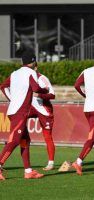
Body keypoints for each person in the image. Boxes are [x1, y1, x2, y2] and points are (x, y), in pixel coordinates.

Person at [0, 51, 49, 180]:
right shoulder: (31, 72)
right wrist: (45, 90)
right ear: (33, 62)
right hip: (20, 113)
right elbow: (36, 88)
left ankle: (28, 171)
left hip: (14, 111)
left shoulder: (14, 73)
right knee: (15, 140)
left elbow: (3, 86)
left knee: (25, 140)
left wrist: (12, 99)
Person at [28, 64, 56, 170]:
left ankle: (51, 163)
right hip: (32, 108)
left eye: (31, 68)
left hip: (45, 110)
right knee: (18, 119)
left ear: (36, 68)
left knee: (47, 136)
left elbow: (52, 95)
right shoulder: (26, 78)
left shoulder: (42, 78)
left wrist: (39, 95)